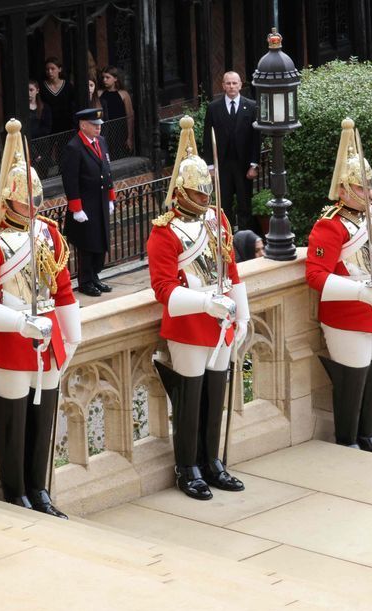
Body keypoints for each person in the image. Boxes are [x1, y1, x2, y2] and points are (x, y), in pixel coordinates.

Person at [0, 120, 81, 518]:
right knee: (13, 421)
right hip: (13, 339)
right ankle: (15, 491)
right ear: (9, 200)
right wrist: (18, 323)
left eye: (38, 197)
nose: (35, 205)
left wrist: (73, 337)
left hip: (49, 339)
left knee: (43, 415)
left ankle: (40, 488)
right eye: (26, 199)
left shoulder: (49, 234)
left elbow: (62, 289)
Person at [147, 116, 249, 501]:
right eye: (200, 193)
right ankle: (186, 466)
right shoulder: (164, 231)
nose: (206, 199)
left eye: (208, 193)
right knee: (189, 398)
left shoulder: (217, 219)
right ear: (181, 191)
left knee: (215, 391)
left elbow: (231, 269)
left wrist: (243, 313)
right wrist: (207, 302)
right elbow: (164, 289)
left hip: (221, 319)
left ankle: (212, 460)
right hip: (190, 321)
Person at [305, 118, 372, 453]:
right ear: (345, 189)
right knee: (354, 378)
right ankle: (347, 439)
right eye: (362, 187)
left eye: (371, 186)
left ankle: (367, 435)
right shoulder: (330, 226)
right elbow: (317, 275)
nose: (369, 192)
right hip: (348, 312)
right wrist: (360, 292)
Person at [60, 107, 115, 297]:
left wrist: (110, 197)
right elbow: (70, 180)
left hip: (99, 201)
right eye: (94, 125)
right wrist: (76, 208)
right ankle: (85, 281)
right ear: (83, 125)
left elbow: (107, 170)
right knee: (87, 244)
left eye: (99, 125)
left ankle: (95, 277)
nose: (98, 129)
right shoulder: (74, 147)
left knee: (101, 242)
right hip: (85, 204)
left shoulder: (101, 141)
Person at [201, 71, 261, 232]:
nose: (231, 86)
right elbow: (207, 138)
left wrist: (254, 165)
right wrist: (210, 167)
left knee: (244, 204)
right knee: (224, 205)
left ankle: (245, 239)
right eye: (228, 83)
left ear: (240, 85)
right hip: (223, 165)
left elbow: (256, 138)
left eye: (235, 83)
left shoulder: (252, 106)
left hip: (244, 165)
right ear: (223, 86)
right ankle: (227, 240)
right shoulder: (213, 108)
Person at [99, 66, 134, 151]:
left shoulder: (123, 94)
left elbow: (130, 117)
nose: (104, 80)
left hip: (120, 131)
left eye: (107, 77)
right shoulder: (99, 94)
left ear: (115, 79)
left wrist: (130, 137)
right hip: (105, 131)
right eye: (103, 77)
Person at [40, 57, 77, 136]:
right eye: (47, 69)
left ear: (59, 69)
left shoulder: (68, 86)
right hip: (49, 126)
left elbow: (73, 105)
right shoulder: (42, 87)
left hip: (67, 125)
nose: (50, 72)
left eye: (53, 69)